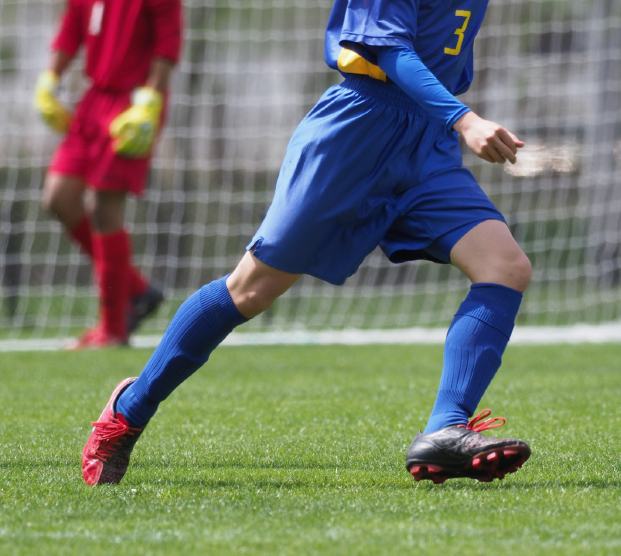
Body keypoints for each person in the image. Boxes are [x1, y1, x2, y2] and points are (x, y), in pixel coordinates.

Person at [81, 0, 533, 485]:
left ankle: (447, 429)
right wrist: (464, 120)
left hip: (426, 142)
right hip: (357, 130)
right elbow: (386, 49)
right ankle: (129, 410)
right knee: (251, 289)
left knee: (505, 267)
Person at [34, 0, 182, 348]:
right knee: (59, 197)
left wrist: (150, 100)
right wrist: (49, 78)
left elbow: (167, 42)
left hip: (135, 102)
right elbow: (72, 27)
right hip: (94, 99)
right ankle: (136, 290)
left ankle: (112, 330)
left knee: (104, 208)